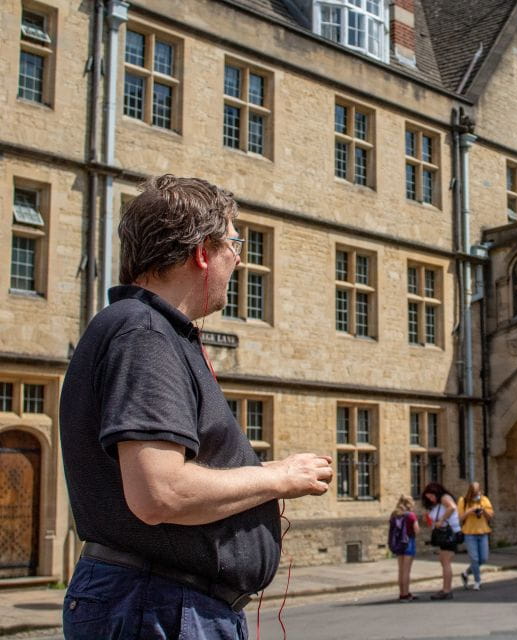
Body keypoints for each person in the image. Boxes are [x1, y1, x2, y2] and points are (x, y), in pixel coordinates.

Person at [59, 175, 334, 639]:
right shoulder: (143, 333)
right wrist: (280, 477)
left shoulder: (147, 328)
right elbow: (159, 493)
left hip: (163, 603)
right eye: (234, 242)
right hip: (158, 606)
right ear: (203, 253)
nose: (240, 258)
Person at [421, 482, 461, 600]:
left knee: (446, 561)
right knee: (443, 561)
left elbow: (452, 508)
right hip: (445, 534)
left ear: (436, 492)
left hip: (450, 533)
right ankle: (445, 588)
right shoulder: (438, 503)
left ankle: (447, 590)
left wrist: (441, 519)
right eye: (429, 498)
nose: (431, 499)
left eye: (432, 496)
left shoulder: (444, 497)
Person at [457, 482, 494, 590]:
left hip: (483, 532)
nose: (476, 495)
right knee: (474, 559)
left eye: (478, 492)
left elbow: (491, 515)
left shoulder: (484, 500)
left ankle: (466, 572)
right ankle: (477, 581)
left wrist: (483, 511)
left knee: (483, 559)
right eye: (474, 493)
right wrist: (469, 511)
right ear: (470, 492)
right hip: (469, 533)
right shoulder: (463, 501)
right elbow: (460, 518)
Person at [389, 495, 420, 601]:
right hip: (408, 542)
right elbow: (417, 530)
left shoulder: (395, 514)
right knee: (407, 571)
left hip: (398, 543)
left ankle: (402, 593)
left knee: (401, 570)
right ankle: (406, 594)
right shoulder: (411, 516)